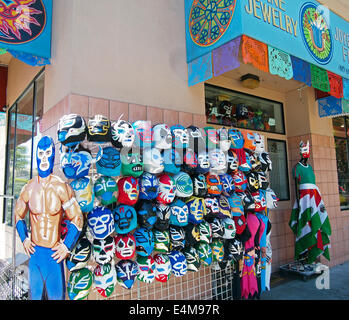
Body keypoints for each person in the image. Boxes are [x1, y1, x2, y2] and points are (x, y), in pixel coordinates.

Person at [14, 136, 83, 300]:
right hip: (36, 254)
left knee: (56, 297)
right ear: (36, 156)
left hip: (54, 255)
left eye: (47, 153)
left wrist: (66, 246)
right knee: (35, 297)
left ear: (53, 155)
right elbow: (18, 214)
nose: (44, 158)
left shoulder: (61, 187)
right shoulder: (29, 188)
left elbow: (77, 218)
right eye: (40, 154)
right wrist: (24, 239)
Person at [289, 140, 332, 264]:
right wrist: (299, 205)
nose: (306, 153)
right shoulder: (297, 167)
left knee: (315, 224)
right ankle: (303, 253)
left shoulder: (310, 167)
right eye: (304, 150)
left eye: (307, 150)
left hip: (314, 199)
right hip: (304, 201)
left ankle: (311, 254)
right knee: (305, 225)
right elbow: (296, 188)